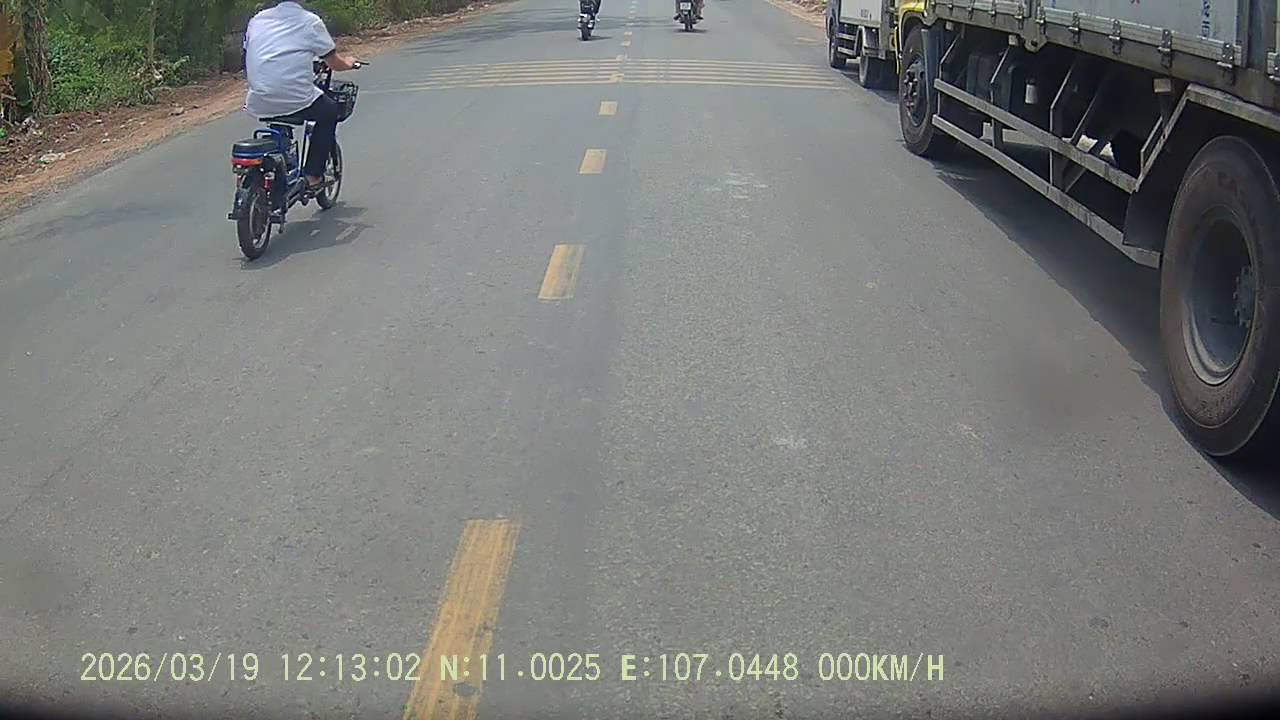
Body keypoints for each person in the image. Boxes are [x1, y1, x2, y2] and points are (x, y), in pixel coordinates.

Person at [243, 1, 361, 192]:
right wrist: (348, 63)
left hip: (259, 99)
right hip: (296, 98)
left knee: (279, 108)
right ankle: (313, 176)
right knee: (329, 111)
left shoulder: (257, 20)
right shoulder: (310, 21)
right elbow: (334, 62)